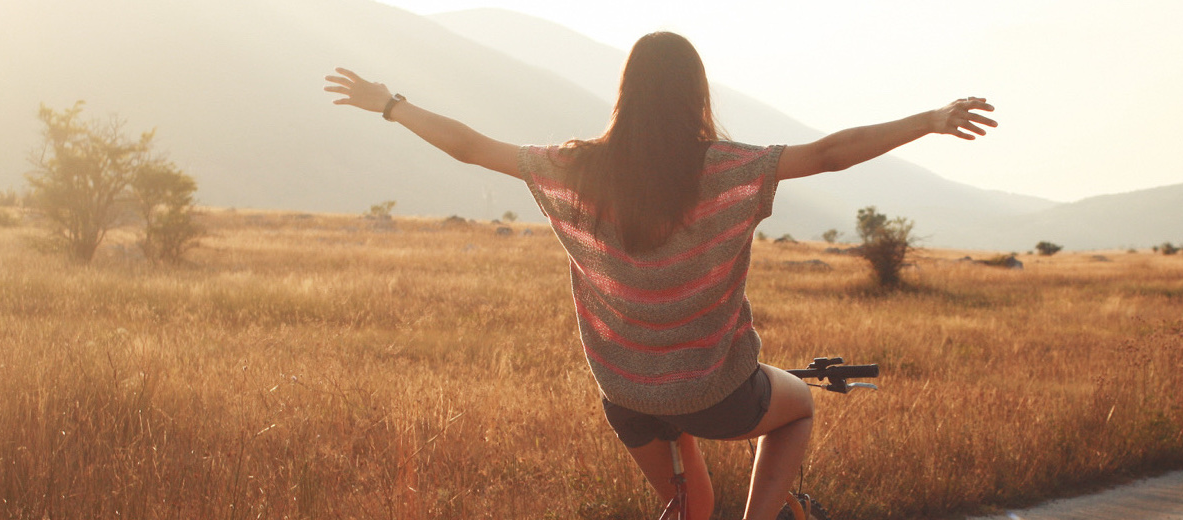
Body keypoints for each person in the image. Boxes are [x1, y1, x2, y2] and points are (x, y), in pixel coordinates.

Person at [324, 31, 995, 520]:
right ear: (695, 94)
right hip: (719, 393)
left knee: (685, 499)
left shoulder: (578, 168)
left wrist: (391, 104)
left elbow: (471, 148)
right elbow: (828, 154)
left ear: (627, 94)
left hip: (628, 396)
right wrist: (931, 120)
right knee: (800, 408)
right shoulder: (727, 167)